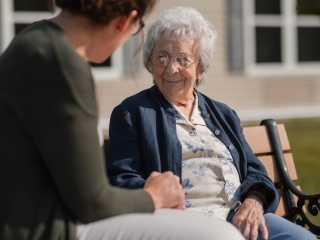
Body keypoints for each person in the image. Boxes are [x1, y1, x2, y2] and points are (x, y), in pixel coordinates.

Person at [0, 1, 246, 240]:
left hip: (41, 219)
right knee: (220, 235)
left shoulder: (33, 40)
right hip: (47, 229)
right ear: (125, 20)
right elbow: (92, 202)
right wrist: (154, 196)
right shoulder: (62, 63)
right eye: (137, 28)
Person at [107, 6, 318, 240]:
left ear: (200, 68)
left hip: (242, 218)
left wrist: (254, 201)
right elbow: (122, 179)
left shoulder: (223, 113)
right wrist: (160, 196)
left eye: (182, 58)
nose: (171, 68)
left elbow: (256, 171)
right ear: (150, 61)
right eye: (162, 57)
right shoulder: (133, 113)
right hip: (188, 224)